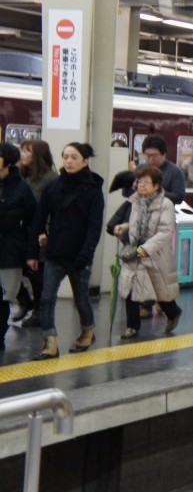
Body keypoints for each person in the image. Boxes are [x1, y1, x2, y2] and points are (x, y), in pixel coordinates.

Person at [29, 143, 105, 359]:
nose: (69, 161)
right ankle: (50, 342)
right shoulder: (53, 187)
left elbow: (94, 227)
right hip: (55, 251)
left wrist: (86, 254)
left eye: (74, 157)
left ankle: (88, 330)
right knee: (46, 298)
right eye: (65, 156)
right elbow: (39, 219)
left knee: (81, 299)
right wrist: (32, 252)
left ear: (85, 161)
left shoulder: (93, 191)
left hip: (79, 254)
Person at [111, 166, 183, 339]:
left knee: (159, 291)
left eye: (146, 182)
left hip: (155, 254)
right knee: (129, 288)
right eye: (139, 181)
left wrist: (147, 248)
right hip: (135, 252)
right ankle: (132, 326)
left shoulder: (165, 204)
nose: (141, 185)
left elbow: (165, 232)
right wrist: (124, 228)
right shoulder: (136, 201)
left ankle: (173, 313)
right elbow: (135, 224)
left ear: (156, 185)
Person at [12, 140, 57, 327]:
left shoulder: (50, 179)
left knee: (37, 274)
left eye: (27, 151)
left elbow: (51, 209)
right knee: (17, 268)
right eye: (21, 151)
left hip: (40, 233)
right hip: (23, 231)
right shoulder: (23, 176)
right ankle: (26, 301)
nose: (23, 154)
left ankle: (38, 312)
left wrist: (47, 232)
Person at [0, 143, 36, 349]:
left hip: (10, 250)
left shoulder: (21, 187)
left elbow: (32, 219)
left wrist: (31, 251)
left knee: (5, 296)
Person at [131, 135, 186, 205]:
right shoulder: (140, 168)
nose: (150, 159)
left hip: (163, 210)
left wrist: (155, 192)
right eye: (147, 155)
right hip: (139, 209)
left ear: (164, 154)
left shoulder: (175, 172)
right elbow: (126, 193)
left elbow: (179, 197)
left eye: (154, 156)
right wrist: (134, 188)